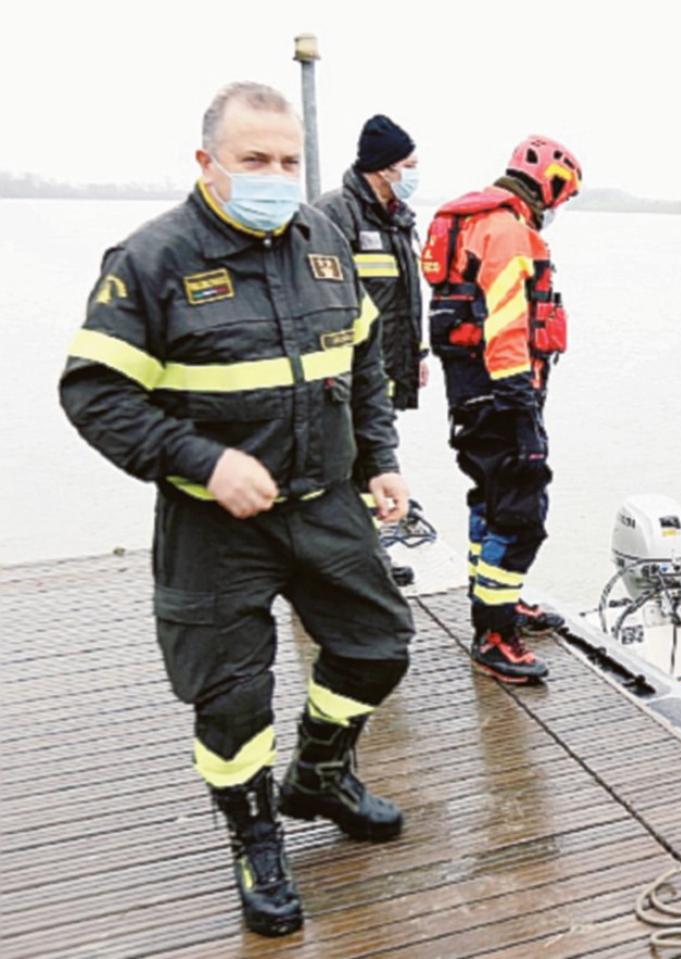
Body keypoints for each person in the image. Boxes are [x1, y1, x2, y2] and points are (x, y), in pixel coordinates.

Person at [58, 82, 415, 937]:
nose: (276, 176)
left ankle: (319, 774)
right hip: (214, 523)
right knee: (231, 698)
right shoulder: (151, 259)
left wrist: (381, 460)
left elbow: (362, 361)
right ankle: (255, 836)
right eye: (255, 159)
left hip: (325, 501)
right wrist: (205, 461)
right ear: (207, 163)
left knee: (378, 646)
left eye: (289, 161)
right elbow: (94, 392)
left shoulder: (325, 242)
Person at [420, 134, 582, 683]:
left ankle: (495, 603)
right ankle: (494, 634)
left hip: (469, 393)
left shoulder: (475, 223)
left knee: (489, 500)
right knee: (521, 514)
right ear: (548, 186)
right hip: (500, 393)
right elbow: (508, 322)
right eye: (561, 196)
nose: (558, 208)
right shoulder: (508, 231)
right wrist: (518, 404)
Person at [314, 115, 432, 583]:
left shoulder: (399, 218)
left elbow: (406, 297)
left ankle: (368, 556)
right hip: (345, 369)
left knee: (373, 460)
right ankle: (345, 563)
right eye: (409, 165)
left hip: (386, 365)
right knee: (345, 461)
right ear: (384, 168)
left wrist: (417, 354)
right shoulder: (334, 214)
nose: (415, 173)